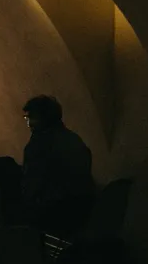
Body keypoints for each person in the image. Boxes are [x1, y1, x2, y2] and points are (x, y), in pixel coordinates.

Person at [19, 95, 95, 237]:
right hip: (81, 213)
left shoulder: (40, 144)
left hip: (52, 216)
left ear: (42, 118)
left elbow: (32, 187)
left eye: (31, 118)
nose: (28, 124)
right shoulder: (73, 139)